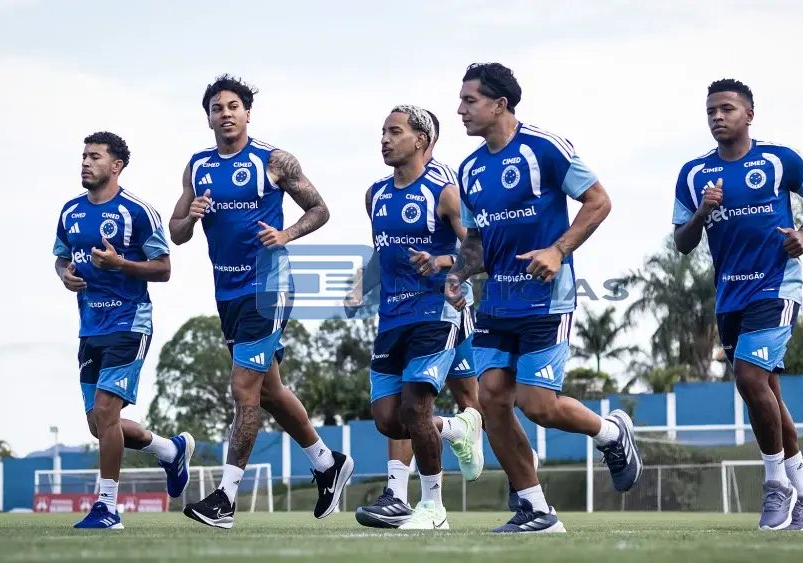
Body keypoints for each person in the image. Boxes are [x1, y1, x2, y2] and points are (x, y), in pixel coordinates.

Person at [446, 63, 642, 534]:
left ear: (500, 104)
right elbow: (475, 240)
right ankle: (536, 510)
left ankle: (611, 433)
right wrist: (457, 274)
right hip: (497, 302)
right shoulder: (469, 169)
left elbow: (599, 201)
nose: (460, 110)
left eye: (470, 100)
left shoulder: (545, 148)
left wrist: (558, 250)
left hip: (547, 301)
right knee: (492, 401)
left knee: (538, 406)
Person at [169, 75, 353, 529]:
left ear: (248, 114)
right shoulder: (197, 166)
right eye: (217, 108)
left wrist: (286, 234)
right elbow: (176, 231)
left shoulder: (273, 161)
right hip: (227, 292)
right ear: (208, 118)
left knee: (243, 388)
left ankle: (225, 499)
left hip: (269, 287)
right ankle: (327, 462)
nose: (226, 114)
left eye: (234, 106)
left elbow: (320, 209)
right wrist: (190, 217)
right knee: (269, 390)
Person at [672, 78, 803, 531]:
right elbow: (682, 242)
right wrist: (703, 212)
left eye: (726, 109)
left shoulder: (779, 160)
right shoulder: (694, 174)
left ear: (749, 115)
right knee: (766, 392)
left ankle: (776, 484)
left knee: (749, 378)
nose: (717, 117)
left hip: (776, 288)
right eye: (711, 111)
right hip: (730, 297)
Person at [345, 105, 486, 530]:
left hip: (436, 311)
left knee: (416, 408)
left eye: (395, 132)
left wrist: (446, 267)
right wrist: (360, 286)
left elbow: (478, 249)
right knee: (390, 420)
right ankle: (457, 429)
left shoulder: (445, 192)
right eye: (383, 132)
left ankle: (432, 507)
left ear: (421, 140)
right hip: (391, 318)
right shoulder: (375, 195)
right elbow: (384, 253)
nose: (384, 139)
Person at [53, 131, 194, 530]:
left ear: (116, 166)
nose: (85, 162)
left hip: (130, 322)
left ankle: (108, 508)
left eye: (95, 157)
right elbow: (61, 258)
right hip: (89, 328)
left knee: (105, 411)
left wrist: (121, 265)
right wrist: (65, 275)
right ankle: (170, 451)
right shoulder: (70, 211)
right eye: (84, 156)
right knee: (99, 425)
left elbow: (164, 268)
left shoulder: (138, 212)